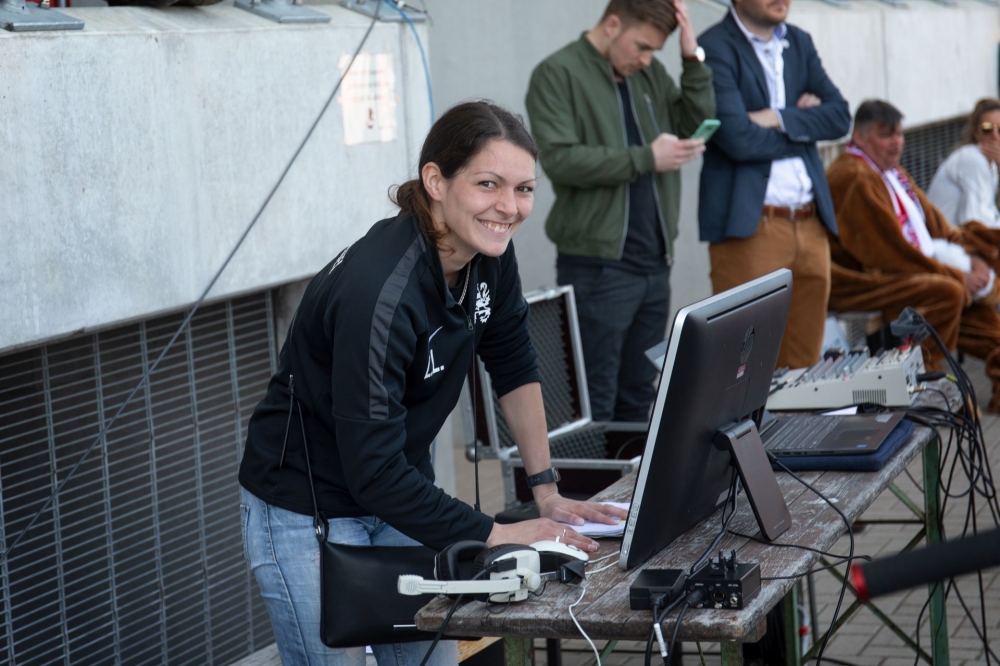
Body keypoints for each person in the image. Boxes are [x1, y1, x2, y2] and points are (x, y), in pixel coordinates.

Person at [237, 101, 628, 666]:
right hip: (307, 507)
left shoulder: (489, 250)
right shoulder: (380, 294)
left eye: (523, 189)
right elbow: (372, 470)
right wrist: (497, 533)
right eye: (488, 184)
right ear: (435, 181)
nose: (509, 207)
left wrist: (546, 491)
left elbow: (514, 361)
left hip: (400, 493)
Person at [525, 0, 715, 423]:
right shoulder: (557, 73)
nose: (646, 59)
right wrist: (645, 157)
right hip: (599, 267)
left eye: (654, 51)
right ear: (613, 24)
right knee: (595, 398)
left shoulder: (650, 73)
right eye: (642, 47)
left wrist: (692, 59)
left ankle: (631, 471)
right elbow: (559, 160)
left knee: (640, 393)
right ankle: (594, 471)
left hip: (655, 264)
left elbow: (694, 123)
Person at [698, 0, 850, 369]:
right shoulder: (714, 46)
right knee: (741, 365)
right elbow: (737, 138)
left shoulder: (799, 41)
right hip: (753, 230)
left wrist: (777, 118)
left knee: (804, 365)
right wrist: (803, 127)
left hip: (811, 225)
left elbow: (840, 117)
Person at [826, 100, 1000, 412]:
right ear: (860, 137)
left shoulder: (891, 170)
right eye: (886, 135)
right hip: (866, 279)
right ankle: (928, 383)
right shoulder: (853, 175)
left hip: (919, 266)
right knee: (948, 291)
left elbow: (941, 228)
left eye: (900, 134)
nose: (897, 142)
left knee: (973, 295)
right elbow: (888, 254)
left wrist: (973, 258)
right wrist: (957, 274)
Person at [928, 98, 1000, 229]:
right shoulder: (973, 159)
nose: (995, 136)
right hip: (943, 239)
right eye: (987, 129)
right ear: (976, 133)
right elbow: (976, 220)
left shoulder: (992, 164)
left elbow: (991, 212)